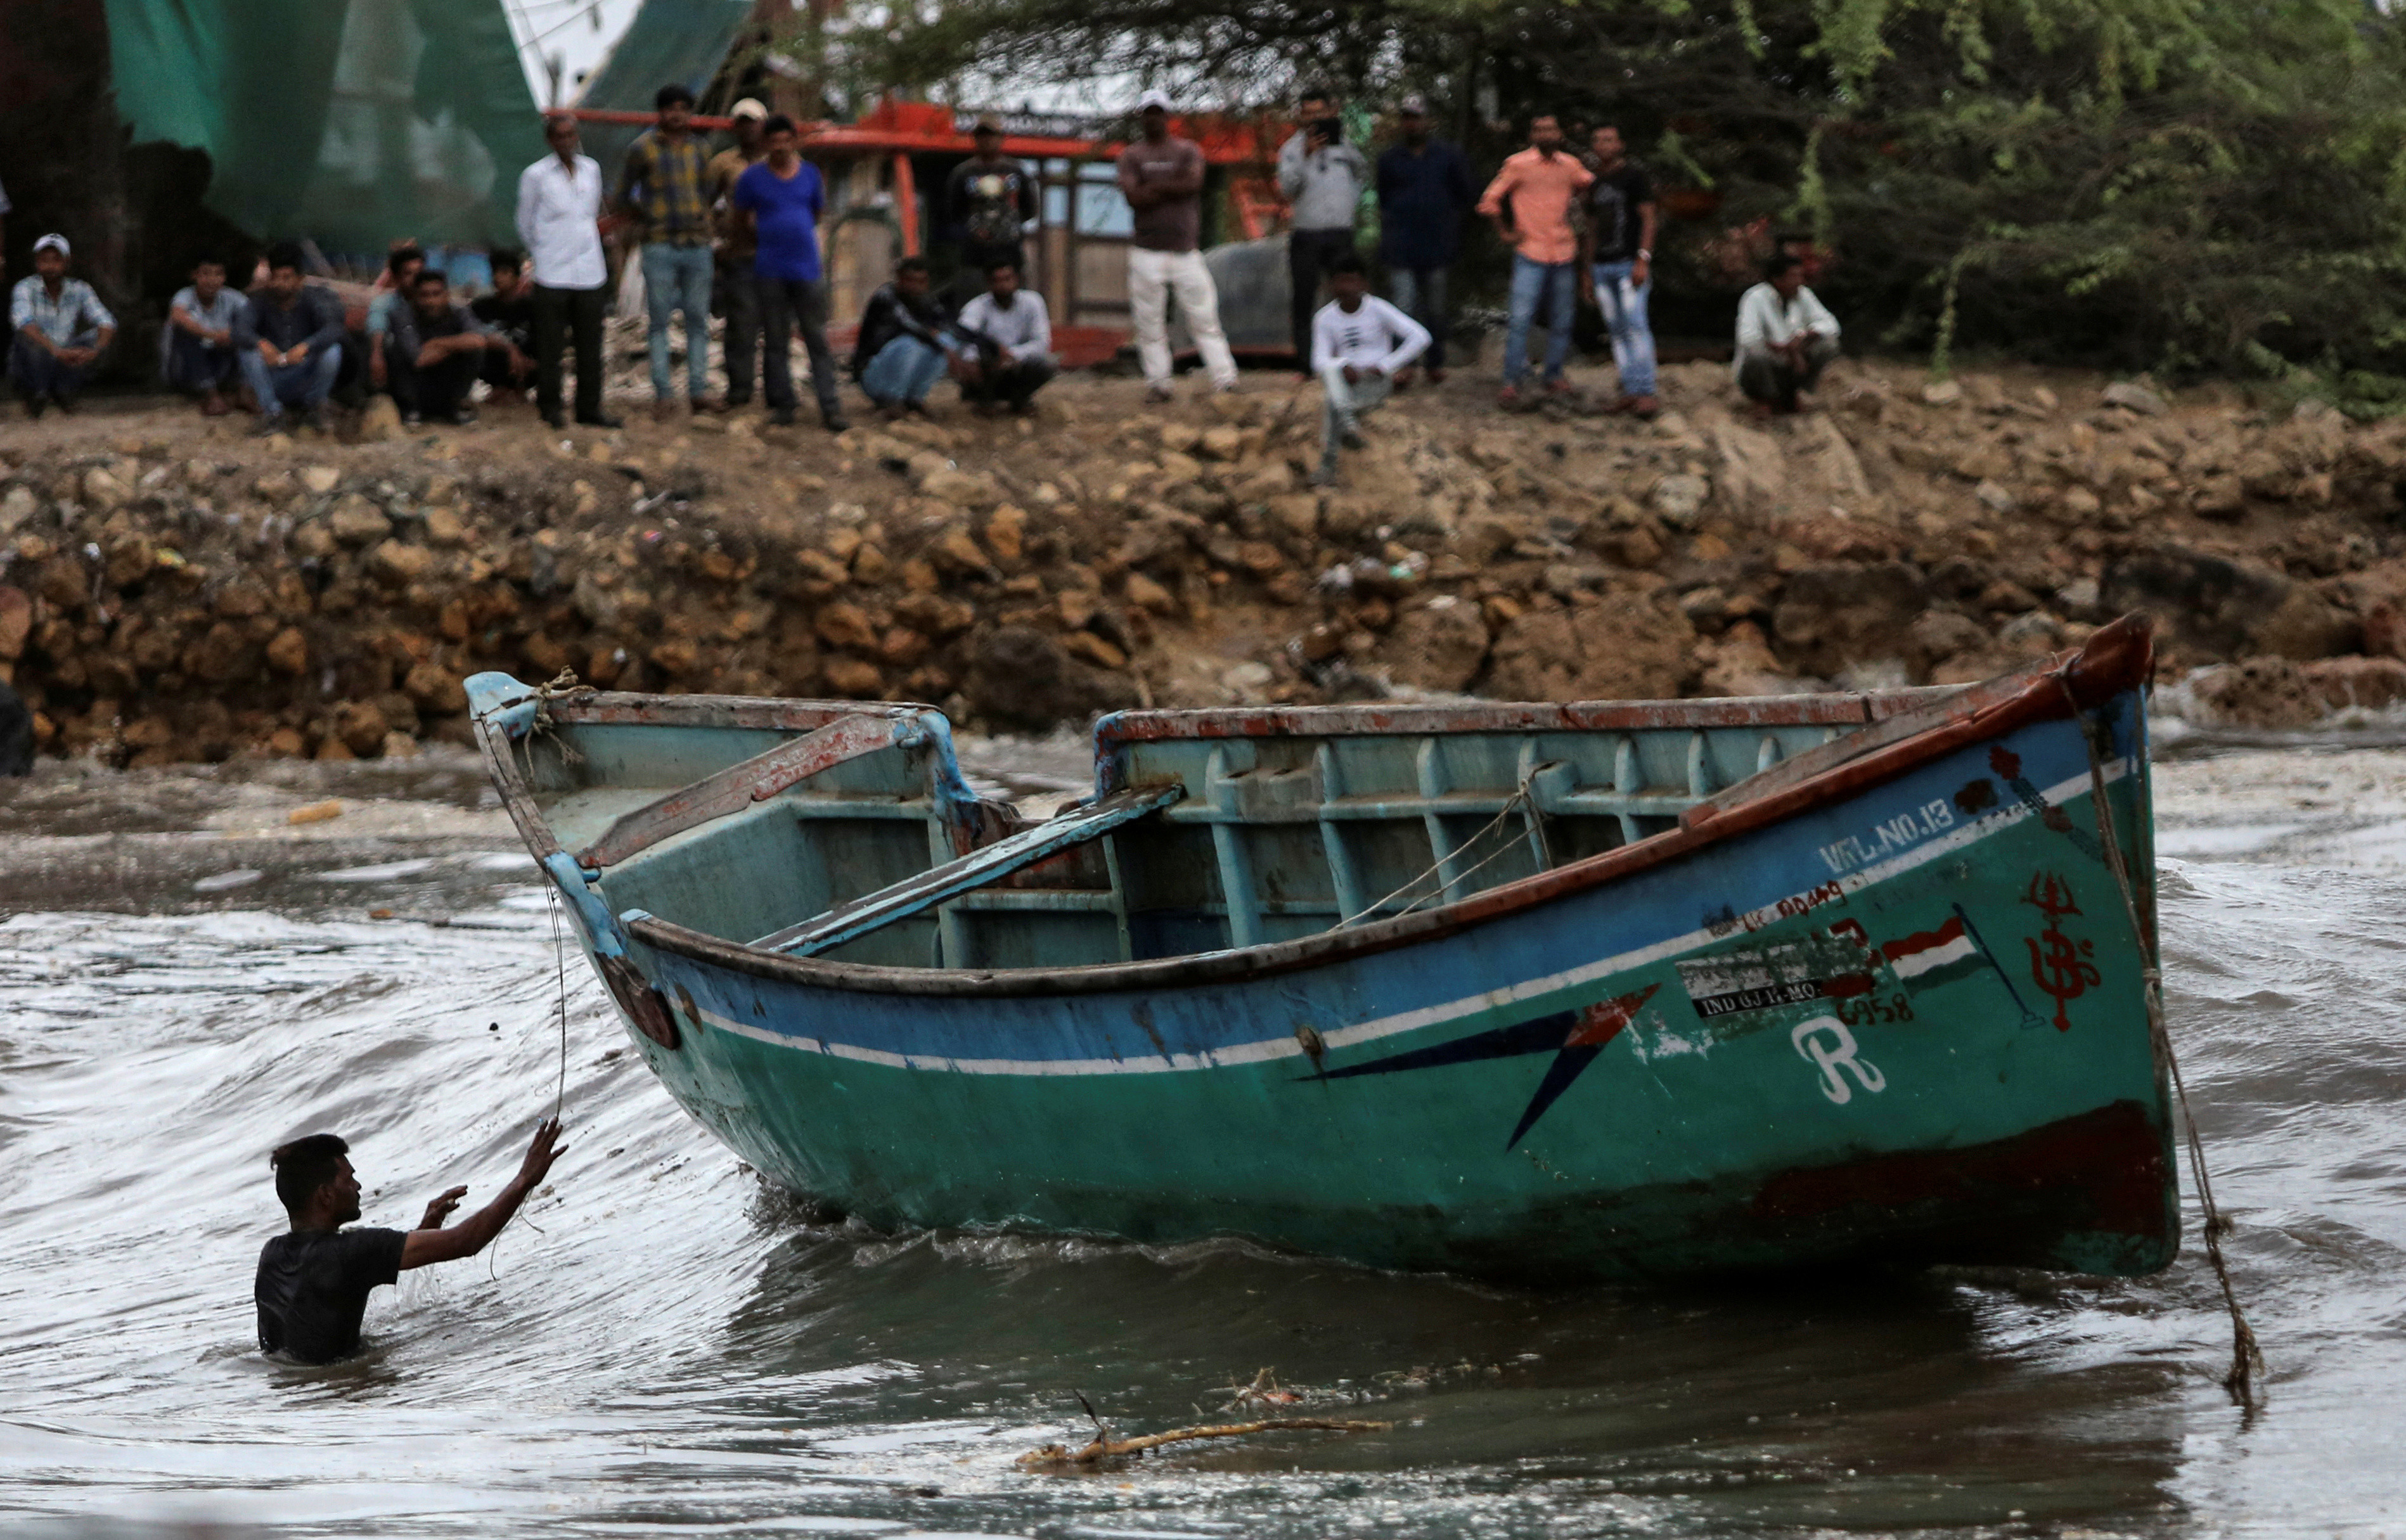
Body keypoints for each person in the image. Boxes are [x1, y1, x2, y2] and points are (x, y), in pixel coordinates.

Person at [255, 1119, 565, 1364]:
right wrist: (526, 1178)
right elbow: (467, 1242)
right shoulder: (351, 1251)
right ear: (325, 1195)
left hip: (293, 1394)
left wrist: (425, 1229)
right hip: (338, 1394)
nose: (358, 1185)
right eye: (349, 1179)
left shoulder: (271, 1255)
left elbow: (329, 1290)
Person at [1116, 89, 1238, 402]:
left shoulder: (1187, 150)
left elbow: (1194, 185)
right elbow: (1133, 197)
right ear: (1142, 117)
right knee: (1150, 322)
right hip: (1146, 250)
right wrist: (1173, 187)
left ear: (1168, 116)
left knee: (1204, 318)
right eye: (1149, 113)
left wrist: (1152, 187)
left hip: (1185, 250)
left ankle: (1225, 378)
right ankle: (1159, 383)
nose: (1154, 118)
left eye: (1159, 112)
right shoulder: (1132, 155)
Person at [733, 113, 849, 431]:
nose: (781, 147)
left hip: (806, 268)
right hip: (769, 268)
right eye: (775, 141)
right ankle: (783, 405)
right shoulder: (752, 178)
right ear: (766, 143)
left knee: (817, 339)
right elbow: (740, 218)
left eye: (787, 140)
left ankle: (831, 407)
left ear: (794, 142)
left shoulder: (810, 175)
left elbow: (816, 213)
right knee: (775, 340)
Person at [1476, 114, 1593, 407]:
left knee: (1563, 319)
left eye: (1551, 129)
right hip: (1530, 250)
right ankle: (1511, 380)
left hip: (1564, 250)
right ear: (1532, 135)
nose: (1545, 134)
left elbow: (1590, 187)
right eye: (1539, 129)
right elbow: (1490, 200)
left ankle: (1553, 374)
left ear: (1560, 134)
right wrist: (1505, 232)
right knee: (1520, 320)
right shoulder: (1518, 164)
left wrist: (1580, 213)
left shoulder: (1570, 165)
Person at [618, 83, 717, 418]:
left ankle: (698, 390)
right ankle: (663, 393)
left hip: (697, 244)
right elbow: (623, 195)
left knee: (697, 320)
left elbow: (706, 193)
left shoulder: (701, 150)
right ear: (660, 112)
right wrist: (646, 217)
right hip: (659, 243)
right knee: (659, 321)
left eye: (683, 109)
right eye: (670, 108)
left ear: (691, 113)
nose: (677, 115)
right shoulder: (641, 149)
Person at [516, 113, 620, 430]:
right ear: (550, 140)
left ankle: (590, 408)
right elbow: (525, 222)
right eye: (559, 136)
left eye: (571, 135)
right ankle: (551, 407)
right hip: (552, 271)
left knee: (591, 344)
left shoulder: (591, 169)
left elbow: (591, 214)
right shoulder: (536, 175)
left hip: (590, 269)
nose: (566, 141)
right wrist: (544, 251)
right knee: (551, 345)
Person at [1374, 95, 1473, 385]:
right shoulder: (1389, 159)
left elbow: (1463, 194)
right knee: (1402, 307)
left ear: (1428, 122)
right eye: (1407, 118)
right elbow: (1383, 198)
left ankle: (1435, 362)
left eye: (1417, 118)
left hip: (1437, 244)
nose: (1412, 124)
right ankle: (1403, 365)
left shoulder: (1448, 156)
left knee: (1436, 308)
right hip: (1401, 244)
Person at [1308, 253, 1429, 487]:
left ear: (1364, 284)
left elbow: (1420, 337)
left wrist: (1386, 366)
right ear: (1331, 285)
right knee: (1332, 376)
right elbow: (1318, 361)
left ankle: (1328, 465)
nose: (1347, 288)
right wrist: (1342, 366)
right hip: (1343, 381)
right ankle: (1349, 424)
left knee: (1333, 404)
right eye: (1341, 282)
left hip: (1373, 381)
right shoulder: (1324, 318)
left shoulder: (1379, 309)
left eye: (1352, 281)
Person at [1275, 85, 1369, 371]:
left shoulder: (1345, 144)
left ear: (1331, 111)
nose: (1314, 119)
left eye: (1320, 112)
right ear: (1300, 116)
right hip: (1307, 233)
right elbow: (1287, 189)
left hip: (1340, 231)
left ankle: (1349, 358)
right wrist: (1306, 155)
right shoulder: (1291, 149)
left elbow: (1362, 174)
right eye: (1308, 114)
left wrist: (1349, 203)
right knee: (1305, 297)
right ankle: (1306, 363)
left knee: (1346, 293)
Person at [1576, 124, 1660, 418]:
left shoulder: (1635, 178)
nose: (1603, 145)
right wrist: (1586, 271)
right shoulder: (1593, 183)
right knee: (1615, 328)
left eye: (1609, 139)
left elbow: (1649, 219)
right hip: (1601, 265)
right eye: (1598, 140)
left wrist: (1643, 258)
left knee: (1636, 323)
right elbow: (1591, 228)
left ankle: (1645, 390)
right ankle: (1628, 387)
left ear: (1620, 144)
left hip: (1628, 262)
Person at [235, 241, 345, 435]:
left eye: (287, 278)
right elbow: (240, 330)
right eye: (276, 277)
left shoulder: (315, 298)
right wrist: (261, 344)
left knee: (333, 351)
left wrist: (306, 346)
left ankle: (314, 408)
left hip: (304, 371)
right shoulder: (260, 301)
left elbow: (334, 328)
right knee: (248, 353)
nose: (280, 284)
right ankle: (273, 414)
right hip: (273, 375)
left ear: (300, 279)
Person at [706, 98, 770, 409]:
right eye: (742, 122)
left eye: (753, 121)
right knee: (741, 326)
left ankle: (777, 392)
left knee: (776, 325)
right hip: (739, 254)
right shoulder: (722, 164)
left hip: (776, 255)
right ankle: (740, 391)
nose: (748, 128)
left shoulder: (780, 160)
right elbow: (705, 204)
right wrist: (715, 242)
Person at [9, 234, 115, 418]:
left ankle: (64, 392)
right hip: (39, 357)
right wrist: (56, 350)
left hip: (64, 354)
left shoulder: (80, 289)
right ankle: (37, 394)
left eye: (56, 260)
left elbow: (106, 322)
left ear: (67, 262)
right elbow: (24, 322)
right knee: (27, 338)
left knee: (97, 337)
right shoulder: (25, 287)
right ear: (36, 263)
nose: (50, 266)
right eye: (44, 260)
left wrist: (96, 351)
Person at [851, 256, 960, 417]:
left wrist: (946, 345)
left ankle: (914, 399)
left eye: (921, 281)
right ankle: (892, 401)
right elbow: (908, 325)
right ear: (900, 279)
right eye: (910, 280)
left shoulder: (926, 301)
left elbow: (947, 326)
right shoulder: (885, 296)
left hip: (902, 370)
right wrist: (936, 340)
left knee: (947, 341)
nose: (915, 286)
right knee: (911, 343)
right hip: (873, 373)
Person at [1734, 252, 1841, 415]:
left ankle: (1797, 393)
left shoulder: (1803, 295)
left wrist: (1804, 338)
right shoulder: (1755, 298)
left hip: (1793, 361)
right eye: (1794, 276)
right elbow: (1747, 337)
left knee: (1828, 345)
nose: (1800, 281)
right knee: (1757, 355)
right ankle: (1767, 398)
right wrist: (1785, 348)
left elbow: (1831, 325)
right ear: (1777, 280)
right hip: (1771, 360)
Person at [945, 117, 1038, 303]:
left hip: (1009, 252)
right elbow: (952, 211)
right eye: (982, 136)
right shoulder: (964, 173)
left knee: (1014, 302)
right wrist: (971, 230)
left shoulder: (1016, 171)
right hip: (975, 255)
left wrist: (1008, 228)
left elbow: (1030, 209)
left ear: (1001, 139)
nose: (987, 141)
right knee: (972, 300)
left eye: (992, 136)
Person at [386, 269, 497, 425]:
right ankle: (411, 409)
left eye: (436, 294)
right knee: (394, 348)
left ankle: (455, 406)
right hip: (416, 386)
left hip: (446, 381)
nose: (431, 301)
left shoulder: (459, 312)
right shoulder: (402, 315)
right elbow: (418, 359)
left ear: (446, 294)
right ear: (415, 296)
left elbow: (478, 341)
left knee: (474, 351)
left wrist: (437, 343)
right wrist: (458, 344)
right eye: (425, 295)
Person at [953, 259, 1056, 414]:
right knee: (970, 361)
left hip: (1016, 363)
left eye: (1007, 279)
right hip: (988, 366)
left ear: (1017, 279)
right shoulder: (977, 306)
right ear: (988, 283)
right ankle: (983, 399)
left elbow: (1042, 342)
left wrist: (1012, 354)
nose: (1003, 285)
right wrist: (972, 360)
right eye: (997, 280)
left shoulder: (1033, 302)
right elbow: (964, 334)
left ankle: (1019, 399)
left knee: (1046, 363)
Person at [163, 254, 243, 415]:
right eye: (206, 274)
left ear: (224, 277)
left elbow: (252, 318)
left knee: (244, 337)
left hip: (218, 364)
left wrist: (232, 334)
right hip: (185, 370)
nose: (212, 280)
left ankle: (243, 392)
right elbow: (179, 317)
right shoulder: (184, 296)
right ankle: (211, 395)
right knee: (186, 335)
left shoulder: (232, 297)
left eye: (218, 274)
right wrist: (213, 335)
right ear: (195, 276)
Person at [469, 247, 539, 397]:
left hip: (528, 366)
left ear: (517, 276)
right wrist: (509, 349)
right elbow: (476, 337)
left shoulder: (533, 307)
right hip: (494, 366)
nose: (498, 278)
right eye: (495, 272)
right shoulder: (481, 307)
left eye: (505, 272)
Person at [365, 245, 426, 397]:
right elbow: (376, 326)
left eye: (419, 273)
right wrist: (377, 354)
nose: (416, 279)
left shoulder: (433, 302)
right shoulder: (385, 303)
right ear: (396, 277)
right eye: (408, 274)